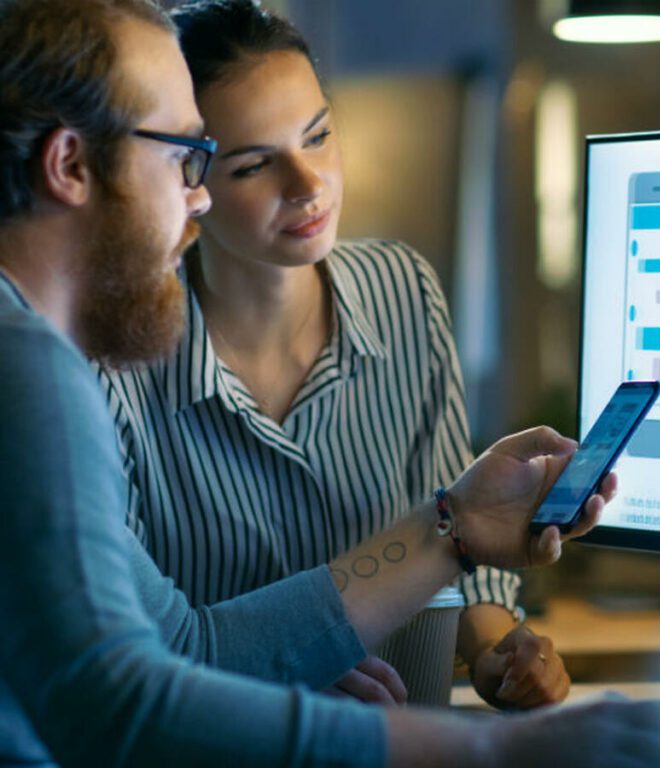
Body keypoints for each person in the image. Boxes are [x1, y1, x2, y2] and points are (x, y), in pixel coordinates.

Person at [0, 0, 660, 765]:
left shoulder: (27, 350)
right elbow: (126, 711)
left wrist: (459, 523)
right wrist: (494, 757)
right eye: (185, 154)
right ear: (71, 165)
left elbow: (184, 646)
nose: (199, 193)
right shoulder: (30, 366)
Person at [98, 0, 566, 709]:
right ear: (189, 182)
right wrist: (271, 671)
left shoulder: (403, 291)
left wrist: (501, 650)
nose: (308, 184)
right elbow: (123, 648)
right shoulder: (119, 359)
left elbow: (460, 547)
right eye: (257, 165)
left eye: (317, 136)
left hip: (407, 742)